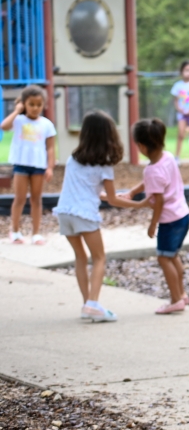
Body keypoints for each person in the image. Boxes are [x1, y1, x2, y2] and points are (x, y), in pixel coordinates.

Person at [53, 111, 148, 322]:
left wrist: (106, 195)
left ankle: (87, 303)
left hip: (65, 213)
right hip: (85, 216)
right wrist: (139, 204)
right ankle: (93, 304)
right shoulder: (104, 165)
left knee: (80, 257)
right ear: (108, 136)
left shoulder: (72, 160)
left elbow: (86, 190)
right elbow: (113, 200)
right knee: (99, 258)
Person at [122, 119, 189, 315]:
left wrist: (153, 224)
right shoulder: (167, 157)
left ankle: (175, 299)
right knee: (173, 256)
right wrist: (133, 191)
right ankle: (182, 294)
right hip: (183, 216)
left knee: (163, 258)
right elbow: (151, 181)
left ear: (142, 146)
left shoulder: (152, 170)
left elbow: (158, 201)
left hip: (169, 221)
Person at [2, 85, 55, 245]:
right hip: (21, 165)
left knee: (36, 199)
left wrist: (50, 167)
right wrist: (17, 110)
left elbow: (50, 148)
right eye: (31, 104)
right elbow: (4, 126)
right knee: (19, 198)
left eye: (38, 105)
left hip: (38, 166)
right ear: (24, 103)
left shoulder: (47, 124)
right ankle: (15, 231)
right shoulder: (18, 120)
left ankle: (36, 233)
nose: (35, 108)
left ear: (43, 105)